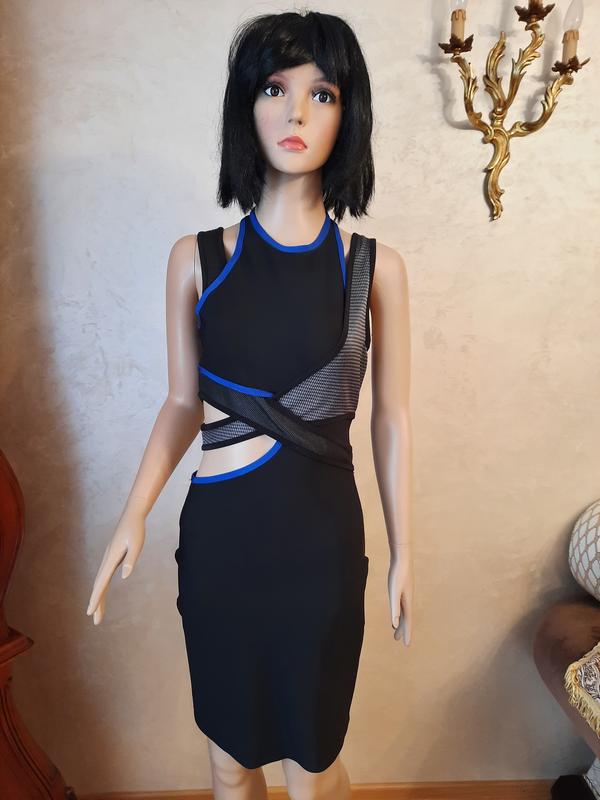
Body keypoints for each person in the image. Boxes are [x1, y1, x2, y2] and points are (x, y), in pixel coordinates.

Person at [87, 10, 413, 800]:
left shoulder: (375, 270)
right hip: (222, 551)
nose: (296, 111)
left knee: (312, 767)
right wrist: (133, 512)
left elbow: (391, 418)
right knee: (230, 763)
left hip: (321, 554)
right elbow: (180, 403)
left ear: (349, 114)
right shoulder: (196, 260)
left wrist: (406, 549)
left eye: (322, 93)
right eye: (275, 88)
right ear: (247, 105)